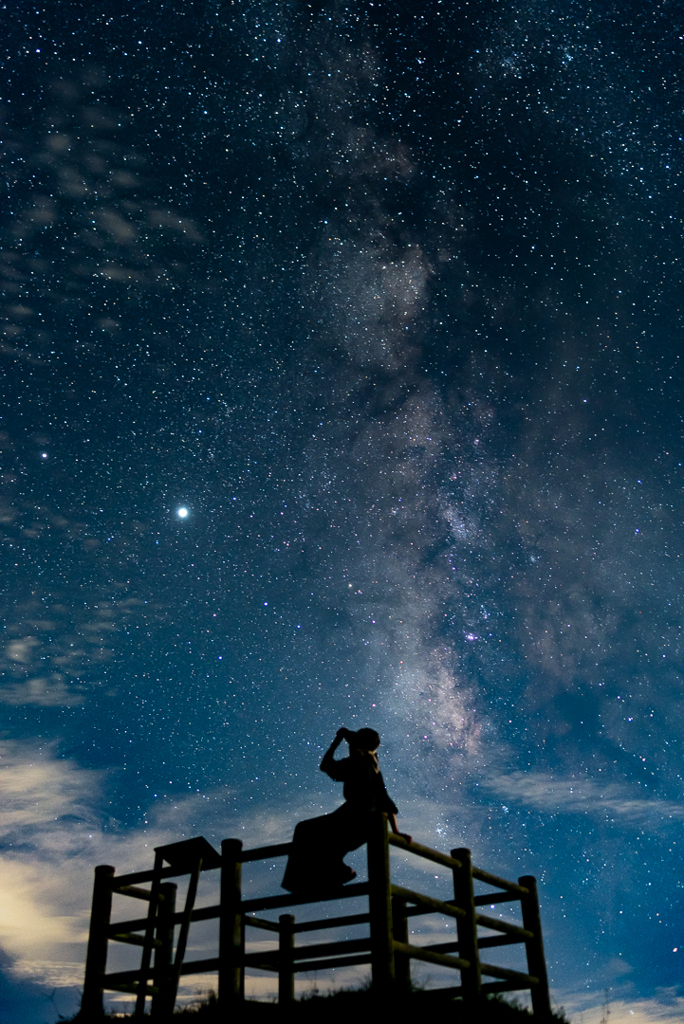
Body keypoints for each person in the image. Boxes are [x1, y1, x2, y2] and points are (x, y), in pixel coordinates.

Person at [282, 727, 411, 893]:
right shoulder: (372, 765)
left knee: (306, 830)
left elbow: (326, 765)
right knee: (325, 842)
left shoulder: (356, 763)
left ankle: (301, 881)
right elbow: (385, 801)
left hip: (355, 817)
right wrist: (396, 830)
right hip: (365, 819)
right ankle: (334, 873)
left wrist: (336, 742)